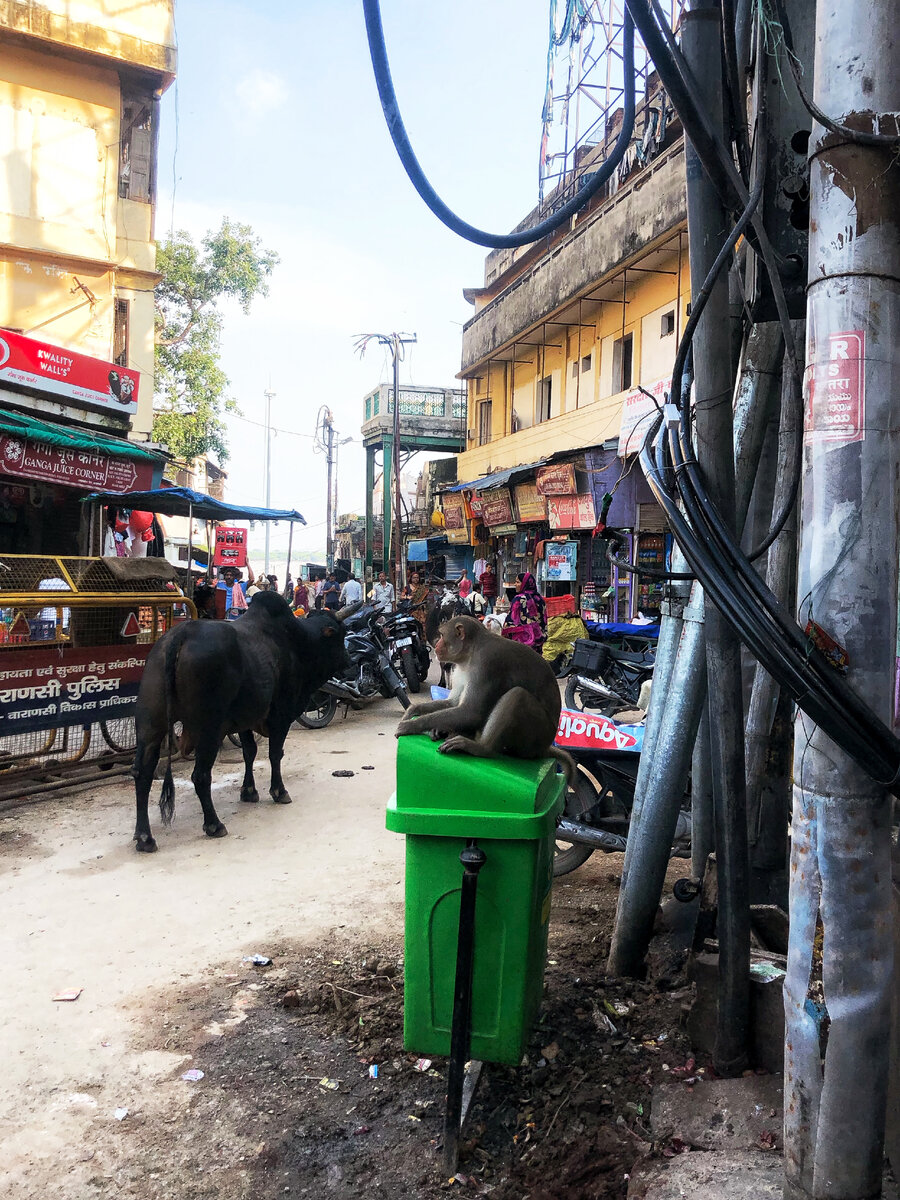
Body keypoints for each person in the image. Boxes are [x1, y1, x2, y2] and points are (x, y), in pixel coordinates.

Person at [502, 572, 547, 652]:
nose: (515, 584)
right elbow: (544, 620)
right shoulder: (540, 599)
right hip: (538, 641)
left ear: (525, 584)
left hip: (520, 643)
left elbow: (511, 621)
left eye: (518, 582)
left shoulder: (518, 599)